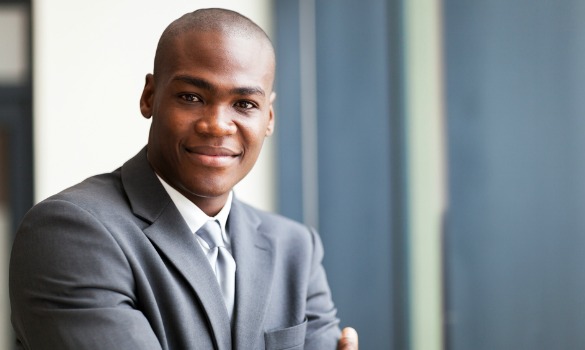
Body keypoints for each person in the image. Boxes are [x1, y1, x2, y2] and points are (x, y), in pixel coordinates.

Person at [9, 8, 358, 350]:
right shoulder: (70, 232)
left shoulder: (295, 249)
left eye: (245, 104)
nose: (218, 125)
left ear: (269, 116)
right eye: (192, 97)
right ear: (149, 97)